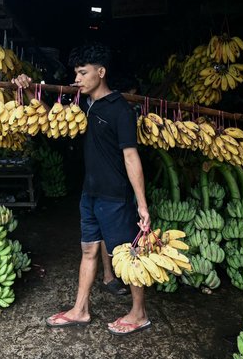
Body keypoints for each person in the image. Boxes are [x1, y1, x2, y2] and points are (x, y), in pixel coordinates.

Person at [12, 42, 151, 336]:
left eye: (83, 72)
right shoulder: (85, 106)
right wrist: (27, 91)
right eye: (76, 73)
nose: (77, 79)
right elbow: (52, 122)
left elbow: (130, 156)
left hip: (115, 195)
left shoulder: (121, 110)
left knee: (128, 256)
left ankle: (139, 313)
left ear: (101, 72)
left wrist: (142, 205)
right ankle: (80, 310)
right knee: (88, 250)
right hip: (90, 193)